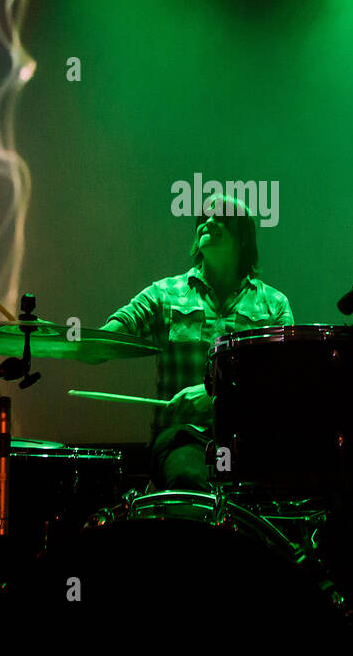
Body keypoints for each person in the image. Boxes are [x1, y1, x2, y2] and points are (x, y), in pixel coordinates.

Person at [102, 195, 293, 490]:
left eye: (221, 217)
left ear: (243, 237)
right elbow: (108, 336)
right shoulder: (164, 293)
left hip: (251, 436)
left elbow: (285, 377)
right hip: (182, 436)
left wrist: (217, 396)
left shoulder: (274, 304)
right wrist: (65, 339)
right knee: (189, 480)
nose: (208, 221)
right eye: (203, 217)